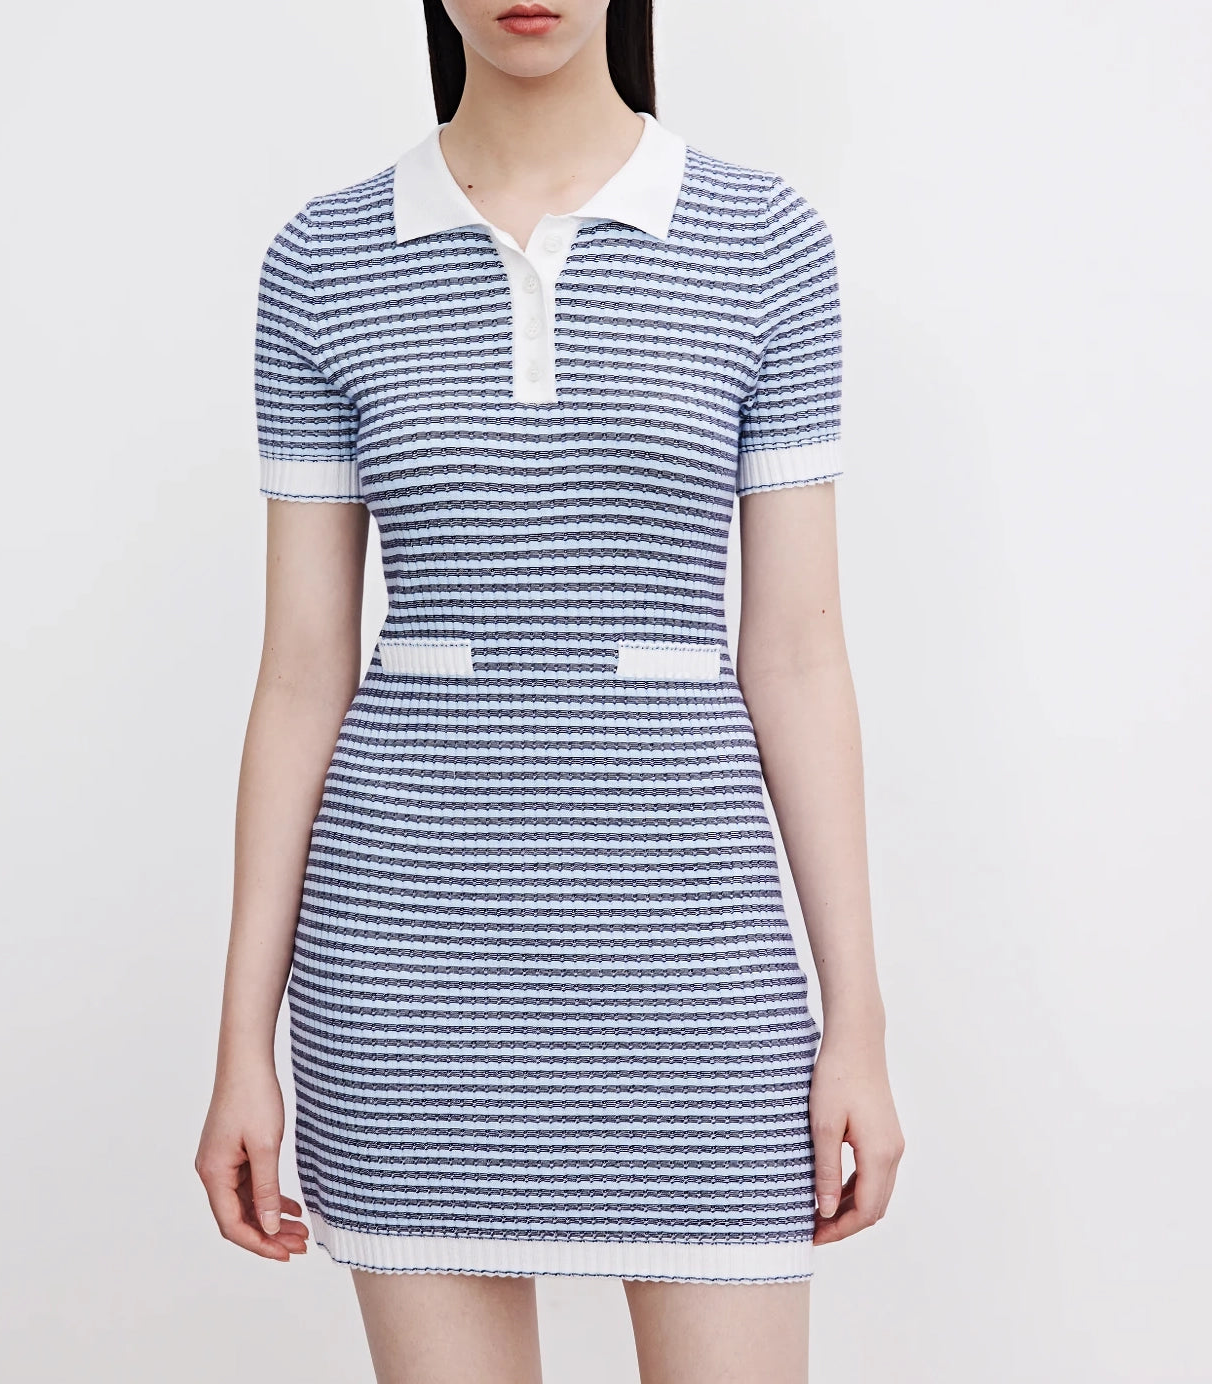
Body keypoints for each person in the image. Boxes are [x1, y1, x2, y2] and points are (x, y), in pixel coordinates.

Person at [195, 2, 903, 1379]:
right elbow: (300, 675)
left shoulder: (763, 243)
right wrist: (241, 1046)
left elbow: (797, 657)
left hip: (694, 970)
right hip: (410, 971)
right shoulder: (324, 261)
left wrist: (856, 1027)